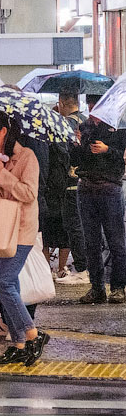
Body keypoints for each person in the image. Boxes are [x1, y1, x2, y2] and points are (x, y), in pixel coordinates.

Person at [0, 110, 50, 366]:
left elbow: (29, 194)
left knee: (4, 283)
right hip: (1, 230)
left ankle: (34, 334)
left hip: (22, 231)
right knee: (13, 286)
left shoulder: (27, 156)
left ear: (4, 132)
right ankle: (19, 344)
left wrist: (4, 175)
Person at [71, 114, 126, 304]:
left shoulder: (119, 127)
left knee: (116, 240)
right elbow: (75, 160)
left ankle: (118, 288)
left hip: (110, 188)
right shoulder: (84, 126)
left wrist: (107, 149)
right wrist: (77, 144)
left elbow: (122, 157)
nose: (93, 109)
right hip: (85, 187)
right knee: (91, 242)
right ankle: (97, 288)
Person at [53, 92, 89, 284]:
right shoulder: (86, 120)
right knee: (83, 226)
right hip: (85, 181)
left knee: (73, 226)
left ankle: (82, 268)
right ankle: (85, 266)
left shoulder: (64, 124)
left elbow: (62, 154)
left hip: (69, 182)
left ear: (61, 103)